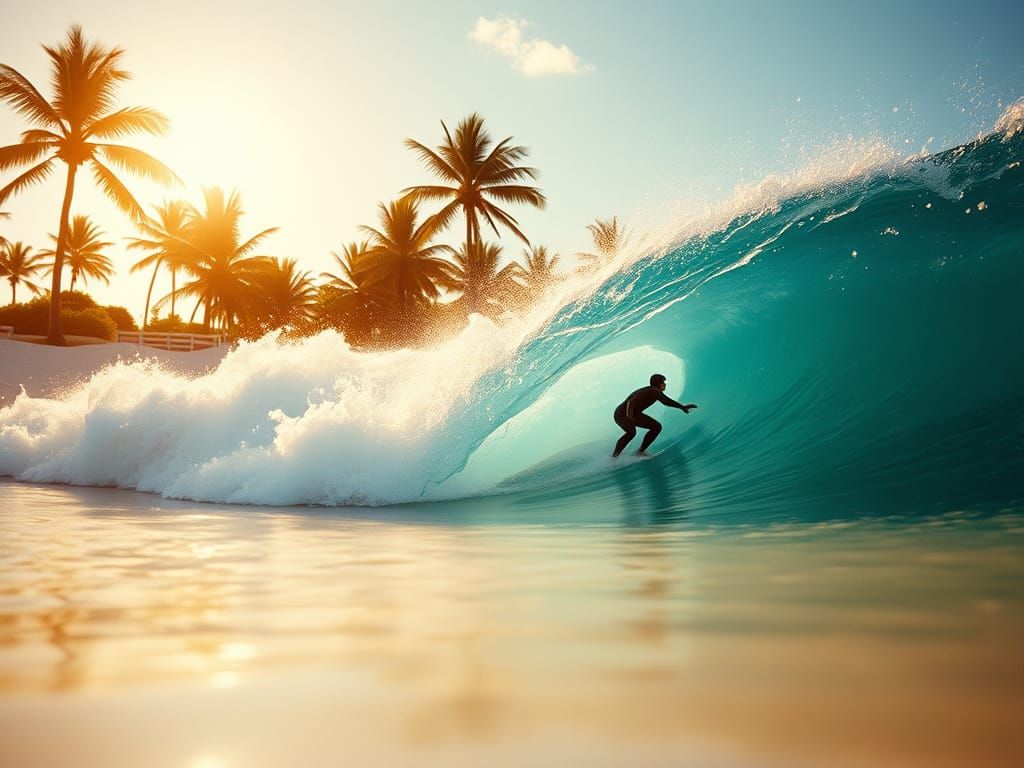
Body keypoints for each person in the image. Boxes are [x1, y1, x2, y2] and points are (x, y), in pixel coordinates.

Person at [612, 374, 697, 458]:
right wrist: (629, 416)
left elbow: (666, 401)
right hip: (622, 414)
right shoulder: (654, 391)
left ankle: (639, 452)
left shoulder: (654, 392)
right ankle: (614, 457)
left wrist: (682, 407)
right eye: (663, 382)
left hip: (632, 413)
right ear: (659, 384)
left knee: (656, 427)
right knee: (631, 432)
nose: (665, 384)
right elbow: (631, 401)